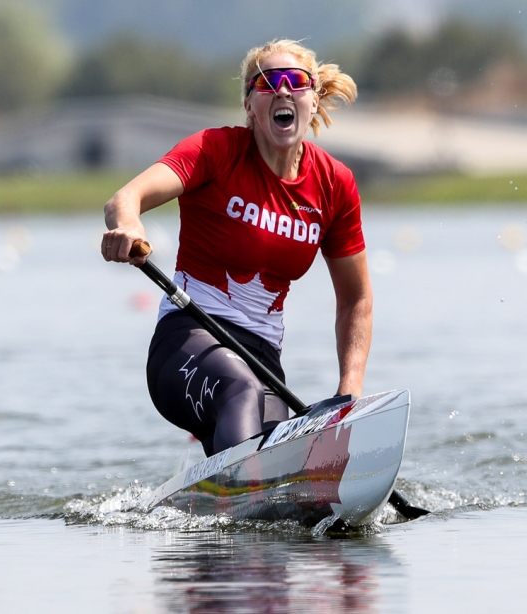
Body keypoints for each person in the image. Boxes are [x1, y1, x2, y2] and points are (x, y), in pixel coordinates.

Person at [101, 39, 372, 458]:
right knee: (239, 388)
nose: (282, 91)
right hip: (188, 338)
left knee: (283, 447)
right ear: (249, 105)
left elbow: (356, 299)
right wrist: (128, 226)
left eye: (295, 82)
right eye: (267, 83)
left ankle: (232, 500)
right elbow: (124, 199)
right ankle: (246, 491)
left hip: (263, 359)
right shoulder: (215, 150)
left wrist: (347, 394)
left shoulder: (334, 184)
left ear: (314, 99)